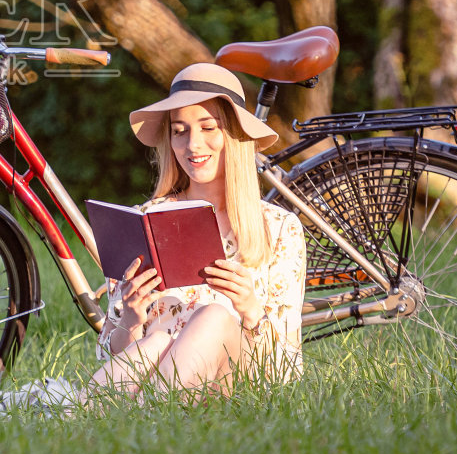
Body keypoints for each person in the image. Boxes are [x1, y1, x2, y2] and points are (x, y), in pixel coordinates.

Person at [90, 63, 307, 396]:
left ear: (234, 135)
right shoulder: (145, 222)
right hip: (154, 377)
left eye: (209, 127)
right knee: (159, 339)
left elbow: (287, 371)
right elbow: (109, 358)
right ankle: (80, 417)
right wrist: (131, 320)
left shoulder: (278, 229)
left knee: (214, 317)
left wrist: (250, 309)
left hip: (235, 387)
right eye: (180, 130)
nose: (193, 144)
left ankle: (147, 416)